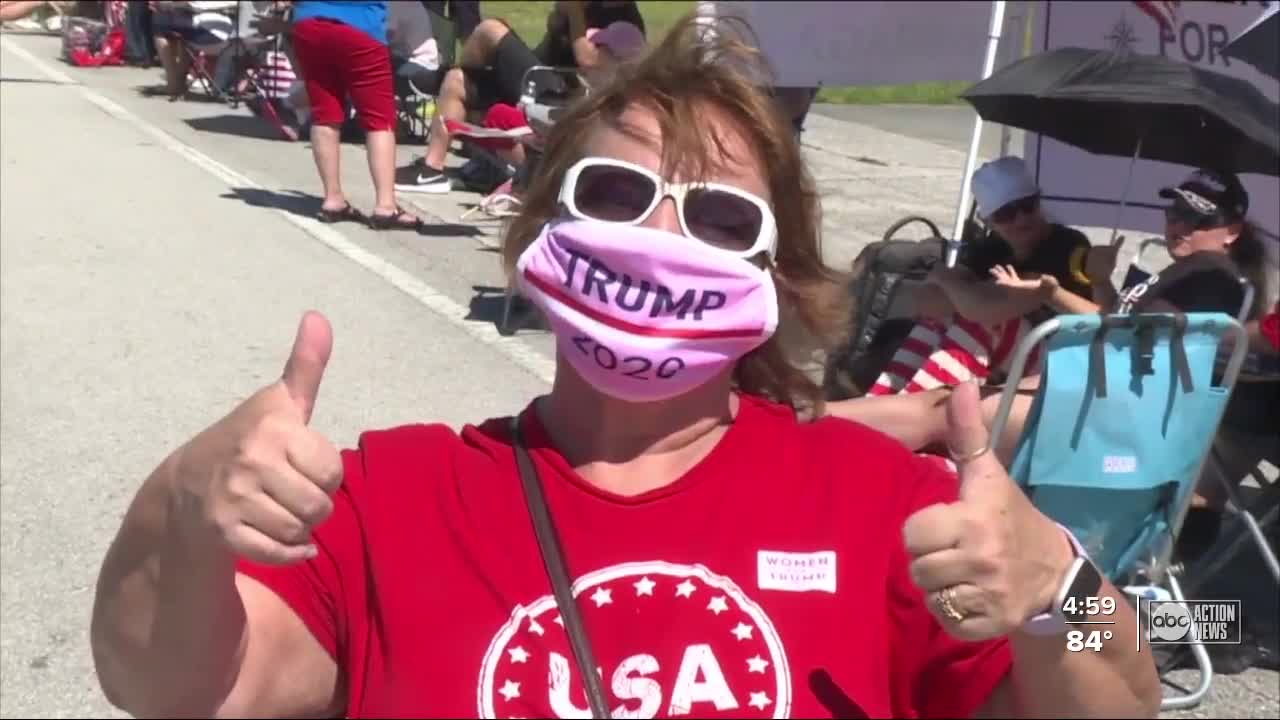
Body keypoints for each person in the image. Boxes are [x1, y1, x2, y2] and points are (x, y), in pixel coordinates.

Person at [89, 14, 1160, 718]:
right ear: (535, 228)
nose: (654, 236)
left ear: (778, 279)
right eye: (610, 196)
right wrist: (177, 508)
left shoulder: (892, 506)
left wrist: (1059, 590)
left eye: (716, 216)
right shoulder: (386, 498)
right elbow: (176, 687)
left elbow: (1122, 697)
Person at [395, 0, 646, 195]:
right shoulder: (578, 11)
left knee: (490, 30)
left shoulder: (626, 22)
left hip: (565, 101)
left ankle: (439, 78)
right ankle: (431, 169)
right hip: (544, 85)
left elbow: (589, 62)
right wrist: (562, 18)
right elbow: (546, 54)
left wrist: (575, 14)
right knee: (457, 81)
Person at [288, 0, 424, 229]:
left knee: (325, 113)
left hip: (310, 20)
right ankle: (386, 206)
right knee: (380, 120)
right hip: (360, 23)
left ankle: (333, 199)